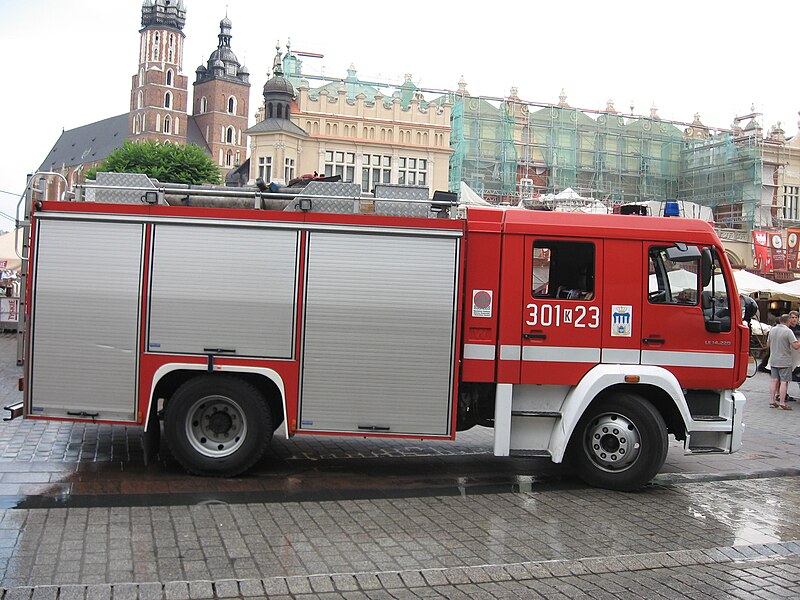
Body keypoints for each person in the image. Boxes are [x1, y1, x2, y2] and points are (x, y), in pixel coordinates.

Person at [767, 313, 800, 410]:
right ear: (788, 321)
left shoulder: (772, 330)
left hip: (773, 359)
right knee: (784, 382)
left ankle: (772, 401)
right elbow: (795, 346)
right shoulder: (788, 331)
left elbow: (768, 344)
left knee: (774, 381)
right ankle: (782, 402)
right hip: (784, 360)